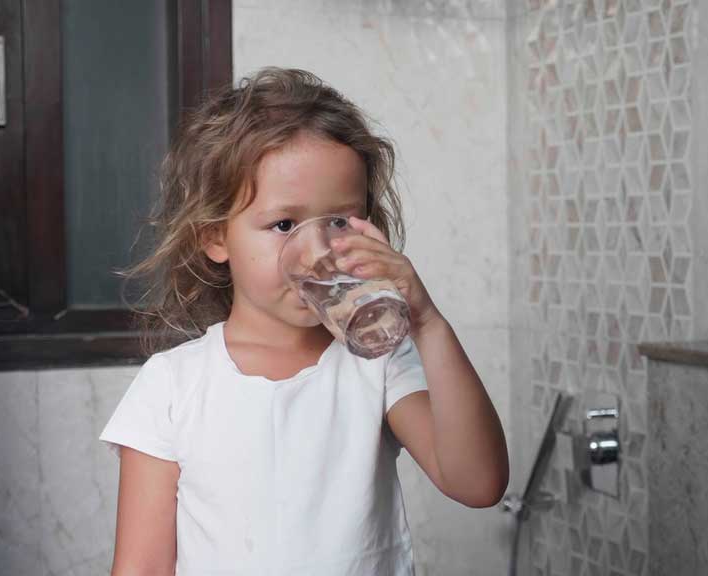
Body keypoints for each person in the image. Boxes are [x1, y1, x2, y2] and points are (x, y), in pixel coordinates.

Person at [99, 67, 509, 575]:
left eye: (338, 221)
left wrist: (427, 323)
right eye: (285, 224)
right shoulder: (172, 385)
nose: (316, 252)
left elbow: (479, 484)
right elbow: (141, 568)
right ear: (215, 237)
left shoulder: (377, 360)